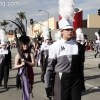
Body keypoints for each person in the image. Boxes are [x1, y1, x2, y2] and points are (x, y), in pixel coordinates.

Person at [14, 36, 35, 100]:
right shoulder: (18, 55)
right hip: (23, 74)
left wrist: (26, 61)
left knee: (29, 88)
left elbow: (33, 64)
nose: (25, 46)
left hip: (30, 73)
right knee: (25, 88)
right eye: (23, 45)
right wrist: (21, 65)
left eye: (26, 44)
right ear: (21, 45)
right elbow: (15, 66)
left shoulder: (31, 54)